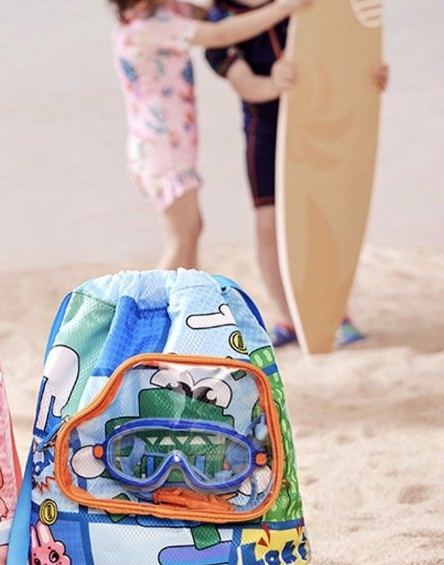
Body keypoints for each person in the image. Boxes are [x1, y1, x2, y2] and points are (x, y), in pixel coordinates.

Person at [204, 0, 388, 346]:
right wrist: (274, 84)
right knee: (268, 225)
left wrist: (368, 76)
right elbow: (247, 85)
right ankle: (288, 319)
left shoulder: (303, 4)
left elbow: (342, 50)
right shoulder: (218, 21)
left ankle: (336, 313)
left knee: (326, 217)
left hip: (320, 125)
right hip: (266, 130)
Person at [110, 0, 311, 271]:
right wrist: (282, 8)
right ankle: (152, 298)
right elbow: (219, 34)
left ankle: (186, 295)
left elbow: (210, 14)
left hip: (164, 147)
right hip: (163, 151)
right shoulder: (150, 27)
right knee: (180, 241)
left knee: (192, 231)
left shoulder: (152, 15)